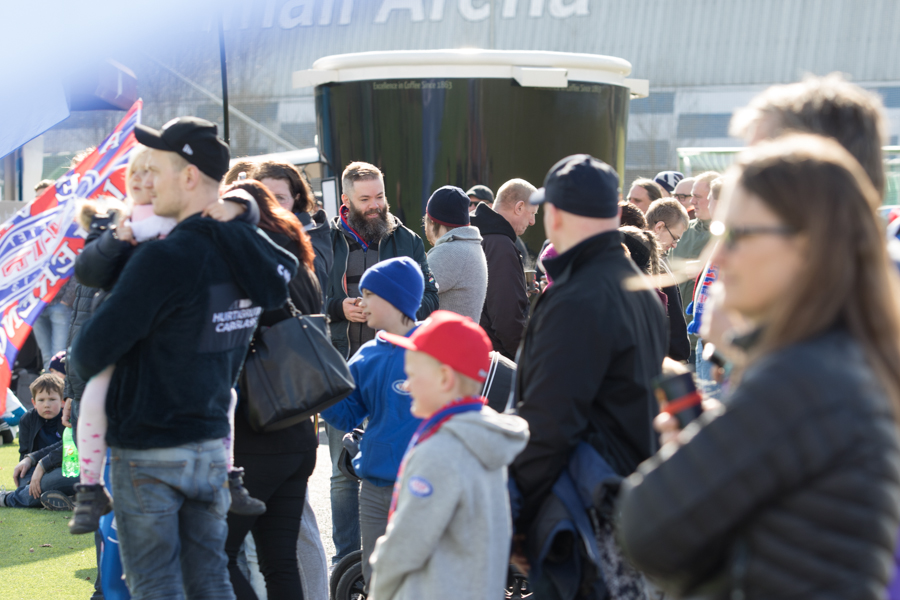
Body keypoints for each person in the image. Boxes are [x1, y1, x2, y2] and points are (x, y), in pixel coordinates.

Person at [617, 134, 900, 599]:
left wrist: (686, 451)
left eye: (739, 235)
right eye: (718, 233)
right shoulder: (841, 358)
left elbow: (645, 530)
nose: (718, 257)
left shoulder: (804, 377)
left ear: (808, 246)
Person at [68, 116, 297, 599]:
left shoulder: (167, 257)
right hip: (211, 445)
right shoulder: (244, 250)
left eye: (160, 169)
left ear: (189, 177)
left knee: (157, 586)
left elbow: (89, 352)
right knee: (210, 579)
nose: (148, 181)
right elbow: (281, 270)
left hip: (151, 448)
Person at [67, 145, 261, 535]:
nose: (141, 182)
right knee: (94, 392)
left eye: (150, 173)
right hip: (125, 342)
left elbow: (245, 205)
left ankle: (227, 474)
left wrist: (240, 206)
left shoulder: (191, 216)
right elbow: (88, 268)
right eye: (134, 174)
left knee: (226, 395)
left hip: (181, 343)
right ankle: (89, 488)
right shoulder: (114, 221)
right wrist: (116, 240)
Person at [509, 154, 667, 597]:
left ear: (555, 215)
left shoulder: (577, 297)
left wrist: (515, 516)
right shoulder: (638, 288)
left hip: (581, 525)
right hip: (627, 514)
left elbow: (549, 422)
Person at [369, 310, 529, 600]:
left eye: (413, 375)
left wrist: (379, 591)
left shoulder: (439, 452)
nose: (406, 385)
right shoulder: (488, 441)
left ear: (444, 378)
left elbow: (406, 545)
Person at [324, 161, 438, 566]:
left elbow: (430, 296)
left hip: (402, 369)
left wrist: (395, 311)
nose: (375, 206)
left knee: (400, 465)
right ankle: (346, 560)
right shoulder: (326, 241)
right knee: (341, 474)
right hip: (347, 367)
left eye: (380, 197)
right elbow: (309, 298)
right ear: (345, 201)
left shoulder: (406, 239)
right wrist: (340, 307)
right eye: (365, 199)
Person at [222, 179, 322, 600]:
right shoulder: (300, 264)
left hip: (254, 432)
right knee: (279, 561)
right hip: (298, 431)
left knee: (214, 553)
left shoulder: (251, 270)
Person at [321, 257, 426, 589]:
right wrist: (322, 392)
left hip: (424, 487)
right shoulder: (366, 355)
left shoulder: (433, 348)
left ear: (393, 300)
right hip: (375, 489)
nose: (361, 302)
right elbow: (346, 414)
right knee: (377, 577)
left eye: (368, 294)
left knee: (422, 575)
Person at [470, 178, 538, 359]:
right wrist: (528, 361)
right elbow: (507, 320)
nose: (532, 221)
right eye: (532, 213)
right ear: (519, 207)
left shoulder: (480, 236)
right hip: (496, 362)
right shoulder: (501, 245)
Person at [254, 160, 333, 297]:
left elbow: (314, 309)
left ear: (297, 198)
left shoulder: (310, 244)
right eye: (265, 197)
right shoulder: (255, 233)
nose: (272, 205)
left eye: (280, 198)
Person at [0, 375, 77, 510]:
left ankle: (9, 498)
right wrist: (27, 478)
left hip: (63, 468)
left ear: (63, 402)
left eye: (52, 399)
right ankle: (59, 498)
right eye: (41, 400)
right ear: (33, 402)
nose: (46, 404)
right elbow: (25, 454)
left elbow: (68, 450)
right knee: (29, 484)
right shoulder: (27, 419)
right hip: (34, 470)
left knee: (46, 483)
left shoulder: (69, 419)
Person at [422, 186, 488, 322]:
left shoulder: (449, 252)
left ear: (432, 222)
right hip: (462, 340)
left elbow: (409, 291)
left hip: (446, 341)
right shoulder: (471, 246)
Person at [646, 198, 692, 361]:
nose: (674, 245)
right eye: (675, 238)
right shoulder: (649, 263)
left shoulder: (657, 259)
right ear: (659, 227)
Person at [672, 170, 719, 325]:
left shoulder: (728, 237)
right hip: (675, 330)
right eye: (692, 196)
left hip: (706, 332)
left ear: (714, 198)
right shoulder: (681, 230)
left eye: (698, 197)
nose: (692, 202)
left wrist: (704, 271)